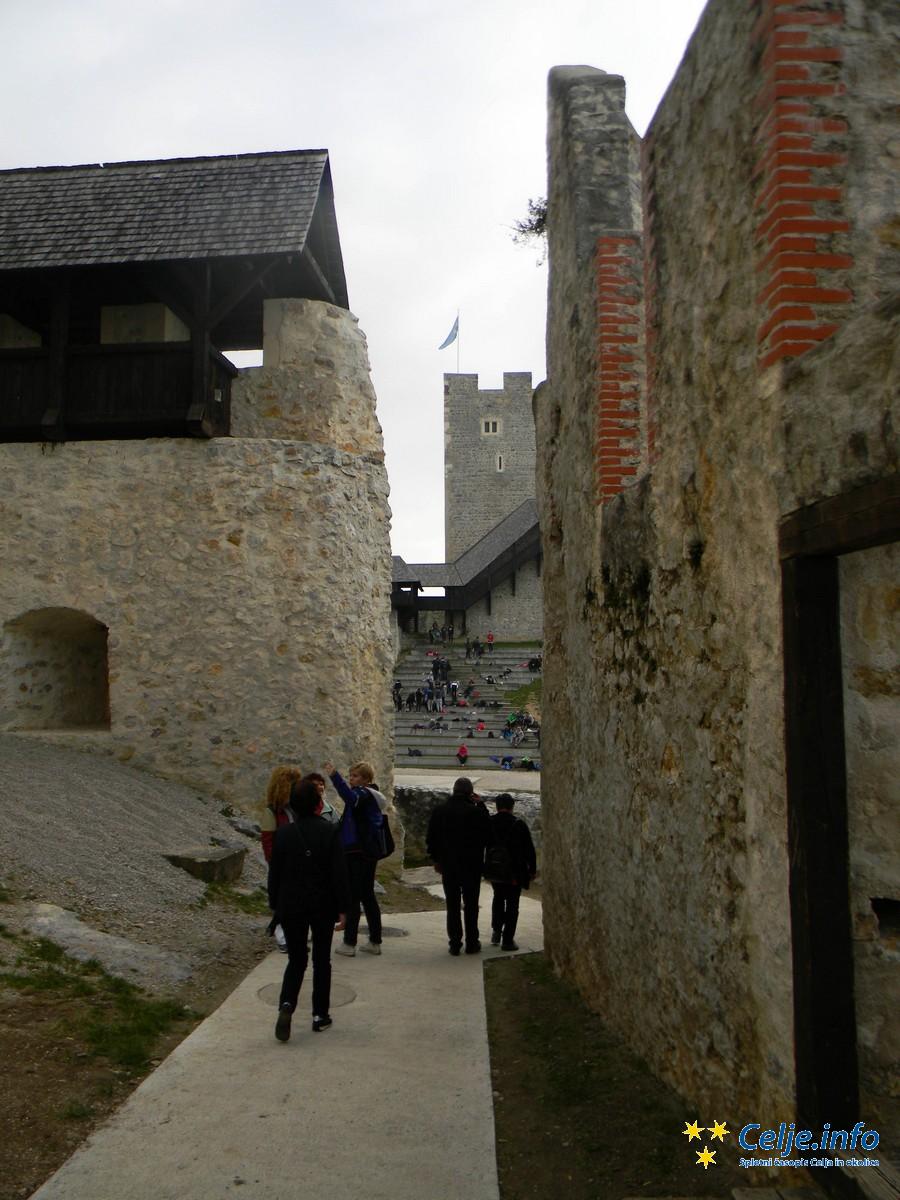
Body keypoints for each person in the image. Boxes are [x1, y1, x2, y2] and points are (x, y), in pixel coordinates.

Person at [268, 779, 350, 1041]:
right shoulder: (330, 831)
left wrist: (275, 905)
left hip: (291, 904)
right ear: (317, 804)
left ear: (293, 806)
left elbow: (275, 874)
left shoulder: (284, 834)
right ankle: (319, 1015)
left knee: (296, 959)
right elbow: (339, 873)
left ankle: (287, 1003)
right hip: (322, 905)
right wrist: (344, 908)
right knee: (321, 960)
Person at [325, 760, 387, 956]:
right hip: (366, 852)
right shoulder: (369, 796)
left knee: (353, 896)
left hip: (358, 852)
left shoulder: (362, 795)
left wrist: (335, 777)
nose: (351, 779)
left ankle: (349, 942)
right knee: (367, 895)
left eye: (355, 776)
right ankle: (374, 941)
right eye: (350, 776)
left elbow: (350, 797)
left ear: (366, 780)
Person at [426, 777, 492, 955]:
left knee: (453, 904)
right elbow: (488, 834)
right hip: (472, 865)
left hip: (448, 864)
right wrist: (481, 805)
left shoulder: (440, 811)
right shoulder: (476, 813)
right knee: (471, 904)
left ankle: (455, 943)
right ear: (470, 794)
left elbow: (431, 838)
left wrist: (436, 860)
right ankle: (472, 942)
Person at [485, 794, 537, 951]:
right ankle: (508, 940)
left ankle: (496, 931)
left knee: (498, 898)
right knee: (512, 904)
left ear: (497, 806)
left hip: (495, 869)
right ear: (512, 806)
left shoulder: (490, 823)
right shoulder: (519, 824)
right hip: (514, 871)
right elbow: (529, 850)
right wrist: (532, 870)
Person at [260, 765, 303, 951]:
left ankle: (289, 931)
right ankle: (282, 935)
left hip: (297, 860)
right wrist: (274, 863)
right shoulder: (271, 812)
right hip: (281, 862)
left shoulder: (294, 809)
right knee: (282, 899)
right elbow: (268, 841)